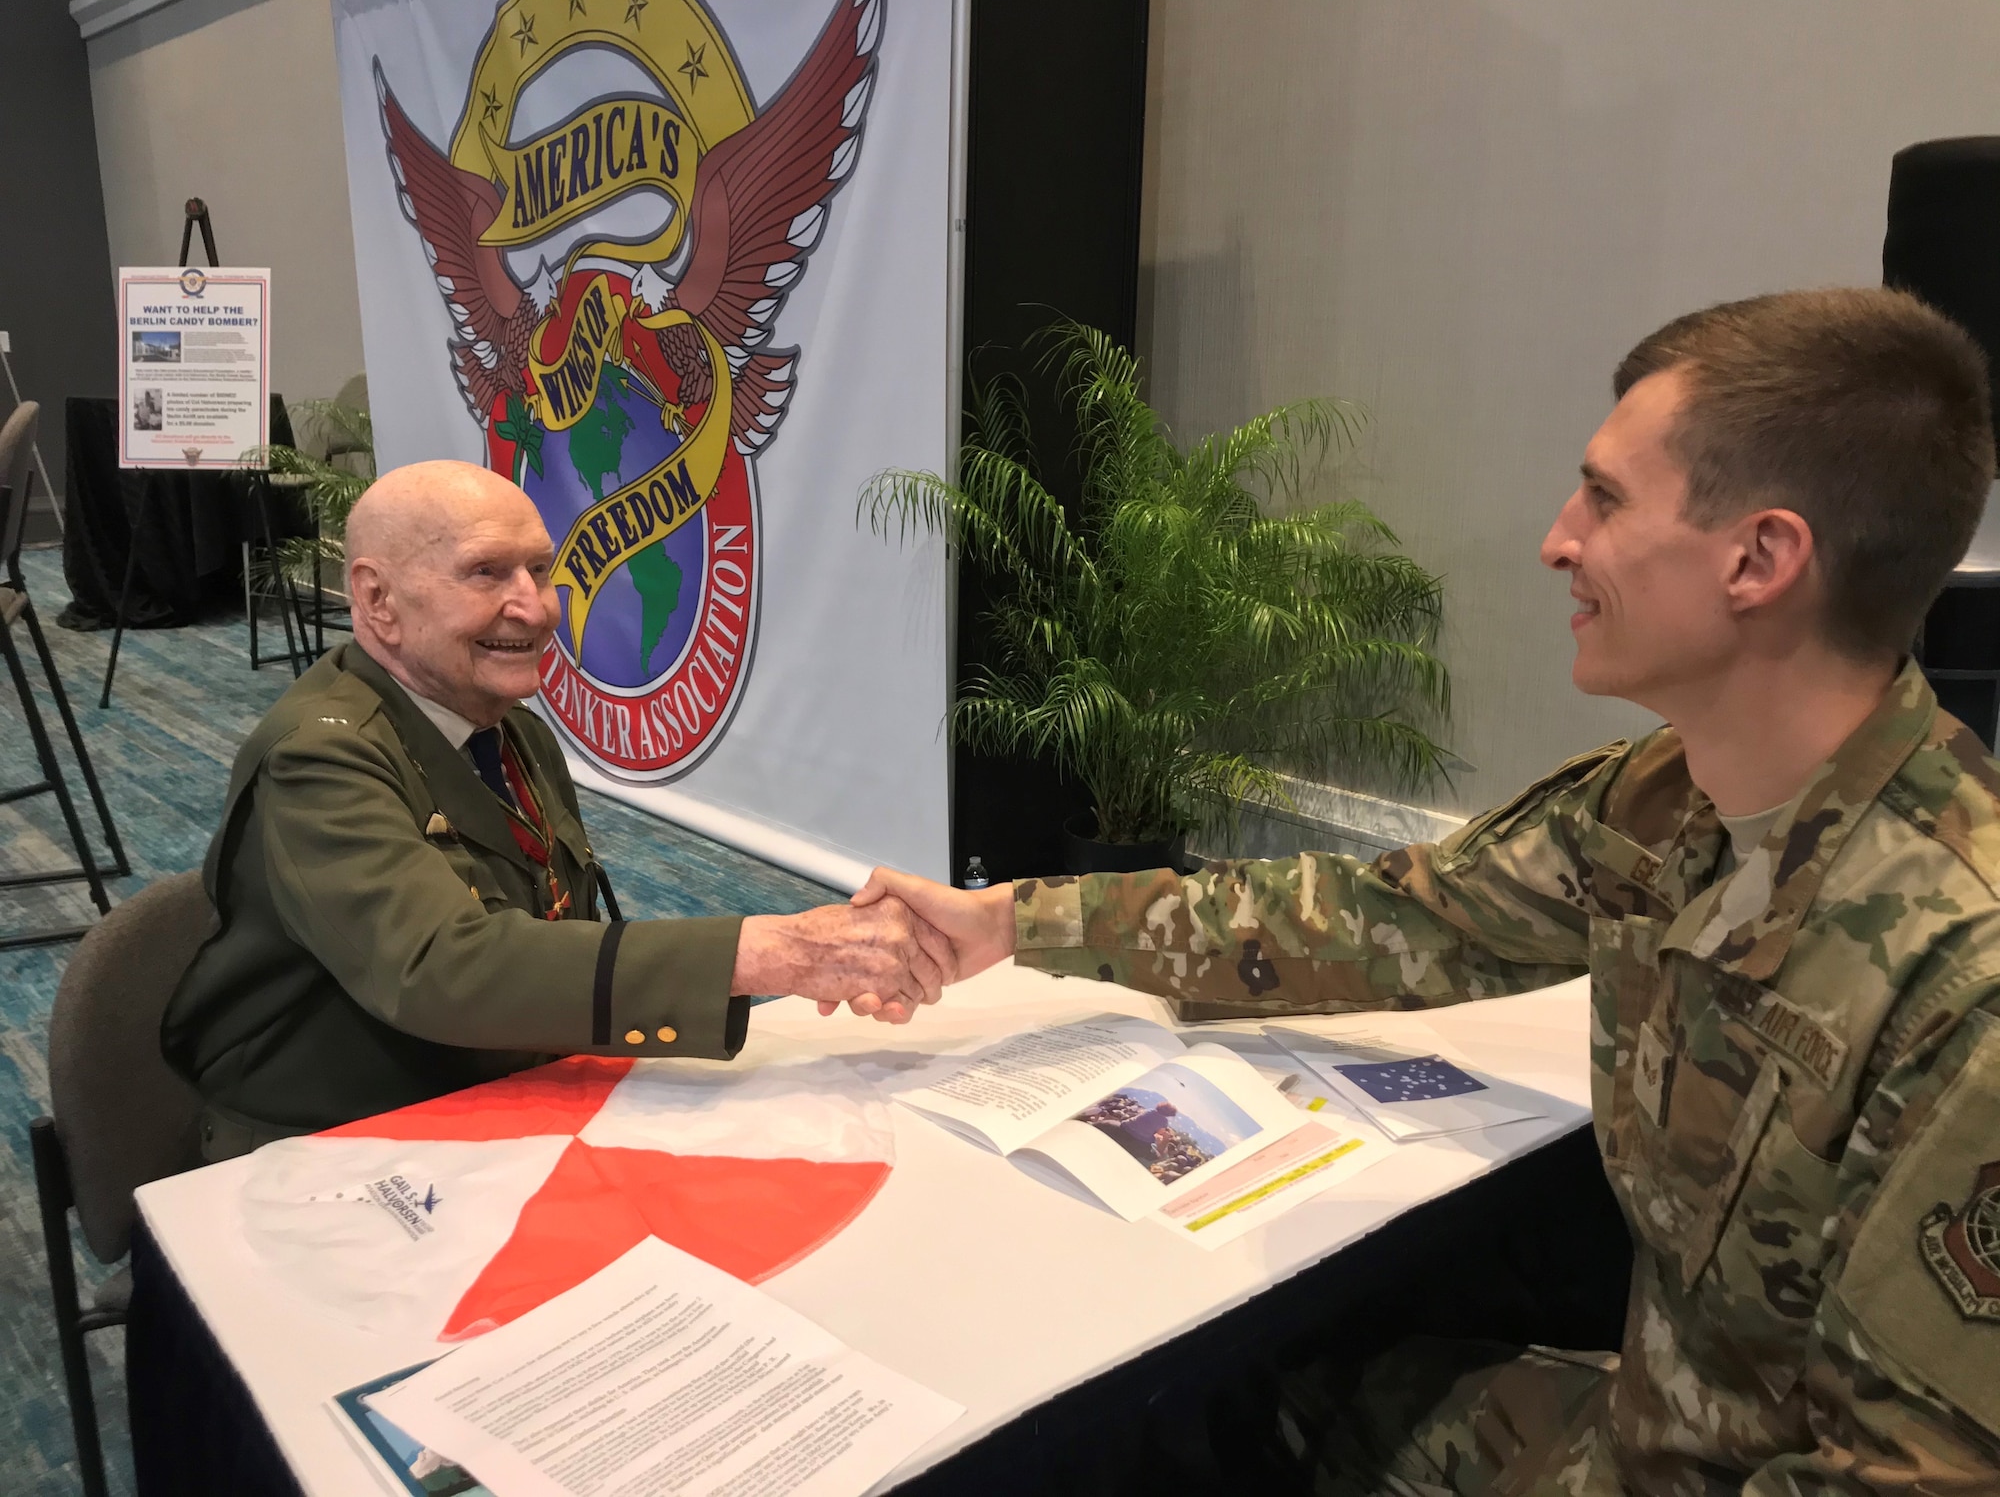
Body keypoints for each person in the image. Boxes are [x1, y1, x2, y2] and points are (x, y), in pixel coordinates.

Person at [850, 288, 2000, 1492]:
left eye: (1603, 498)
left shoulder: (1959, 983)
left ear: (1758, 559)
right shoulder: (1666, 803)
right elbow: (1387, 919)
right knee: (1235, 1381)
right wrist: (1012, 922)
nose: (1557, 537)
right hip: (1647, 1430)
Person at [166, 461, 954, 1160]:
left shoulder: (510, 731)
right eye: (486, 573)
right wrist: (773, 951)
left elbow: (548, 923)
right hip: (334, 1136)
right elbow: (442, 970)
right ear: (377, 600)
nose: (536, 607)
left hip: (498, 1080)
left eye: (540, 570)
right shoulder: (322, 757)